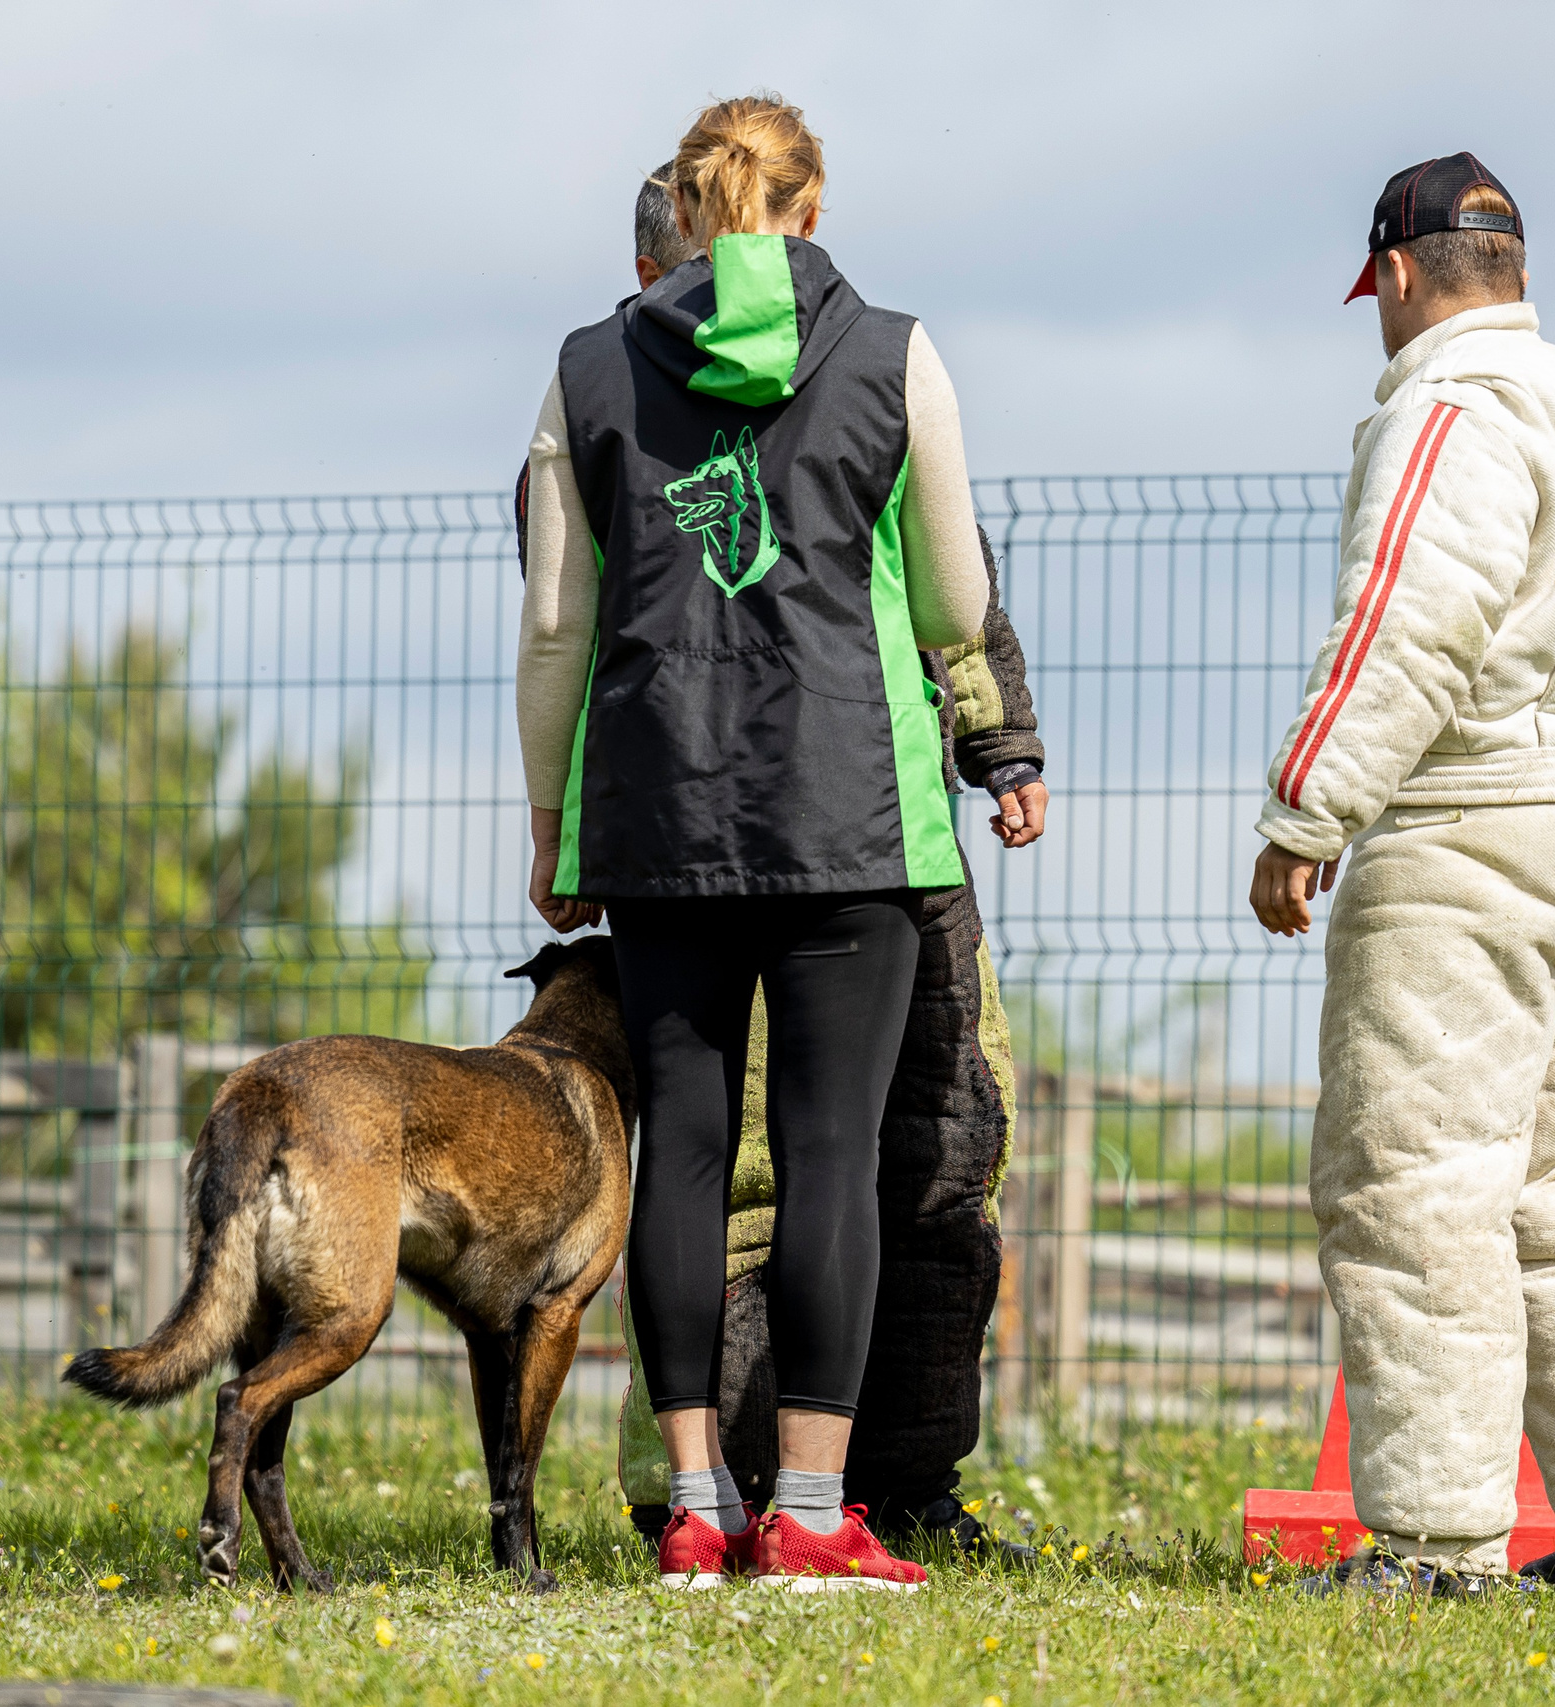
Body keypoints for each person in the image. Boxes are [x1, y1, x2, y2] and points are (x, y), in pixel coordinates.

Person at [543, 162, 1049, 1565]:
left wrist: (561, 825)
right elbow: (950, 585)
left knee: (886, 1152)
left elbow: (563, 639)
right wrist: (998, 743)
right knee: (819, 1164)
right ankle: (799, 1495)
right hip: (854, 826)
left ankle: (763, 1493)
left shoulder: (597, 387)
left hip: (692, 836)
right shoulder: (867, 362)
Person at [1248, 153, 1555, 1594]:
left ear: (1394, 275)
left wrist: (1307, 812)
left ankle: (1438, 1545)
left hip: (1472, 837)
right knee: (1548, 1196)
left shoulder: (1450, 406)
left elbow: (1405, 622)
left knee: (1416, 1191)